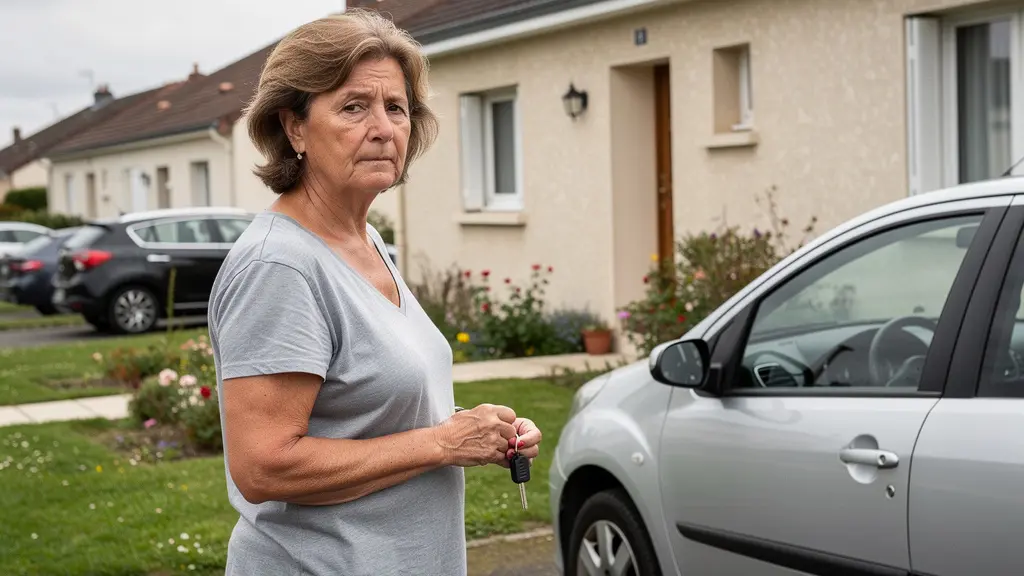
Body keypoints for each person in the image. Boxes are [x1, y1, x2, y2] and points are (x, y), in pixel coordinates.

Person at [206, 9, 542, 576]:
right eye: (354, 106)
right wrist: (443, 443)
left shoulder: (368, 242)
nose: (384, 128)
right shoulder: (280, 266)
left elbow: (366, 407)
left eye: (397, 108)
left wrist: (479, 429)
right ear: (294, 128)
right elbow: (263, 468)